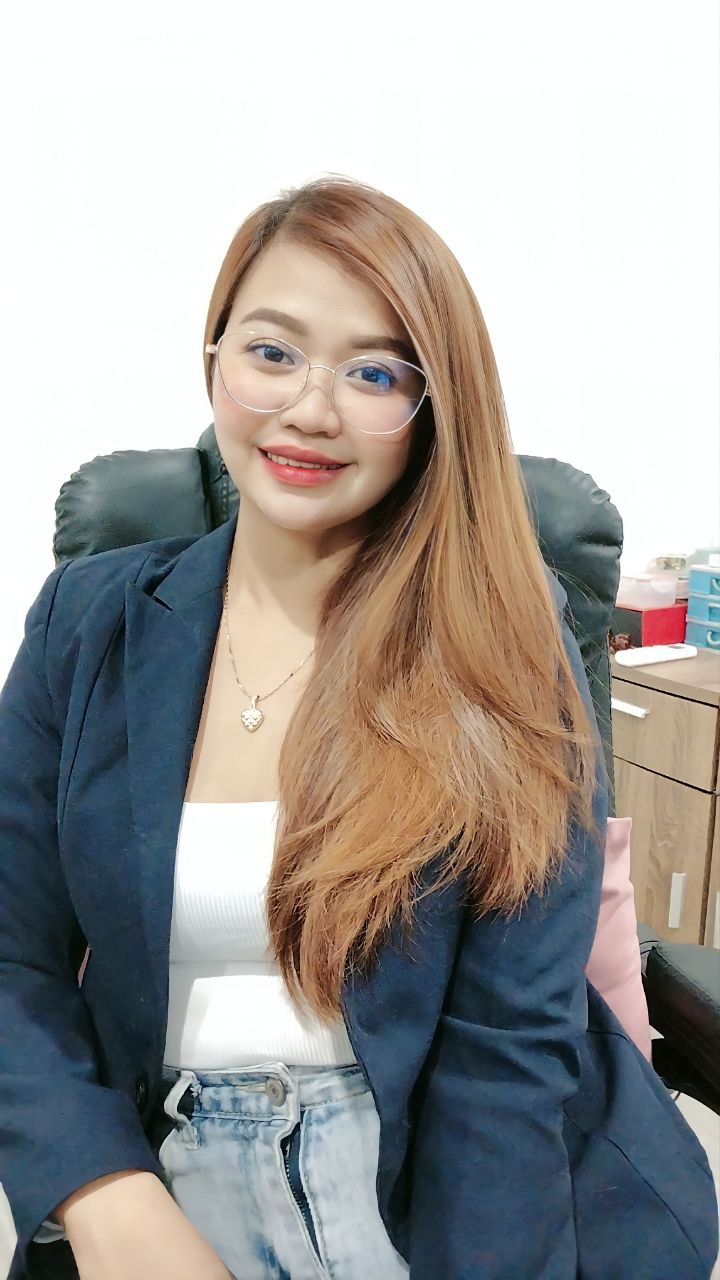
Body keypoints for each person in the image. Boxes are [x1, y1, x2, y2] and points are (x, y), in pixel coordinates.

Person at [0, 176, 717, 1280]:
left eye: (375, 372)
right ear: (214, 359)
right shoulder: (88, 622)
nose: (311, 409)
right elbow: (11, 954)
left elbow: (508, 1052)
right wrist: (103, 1196)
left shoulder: (502, 643)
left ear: (431, 408)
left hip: (429, 1174)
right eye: (272, 351)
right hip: (153, 1167)